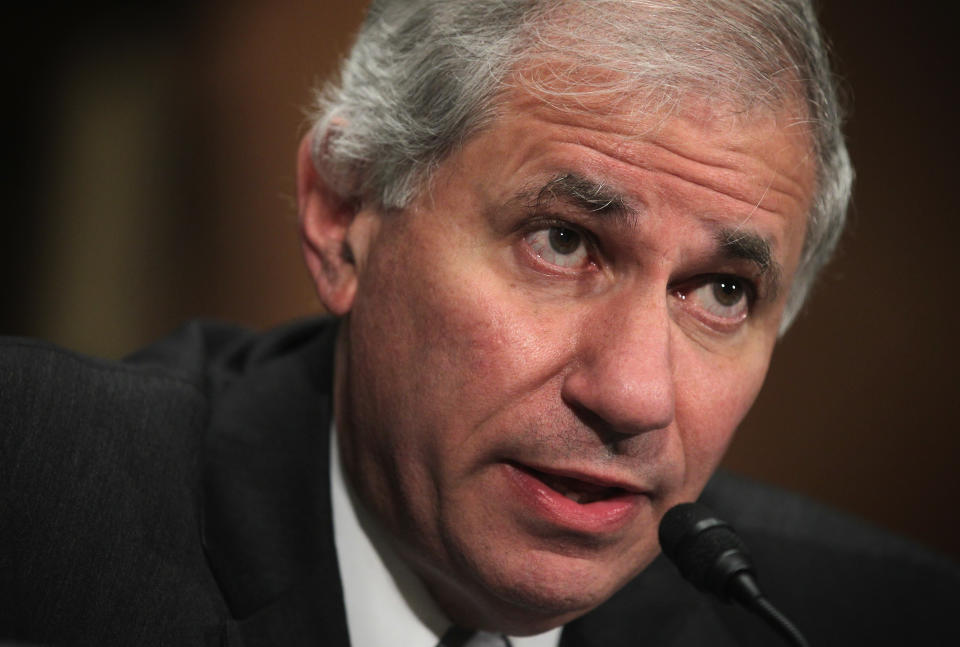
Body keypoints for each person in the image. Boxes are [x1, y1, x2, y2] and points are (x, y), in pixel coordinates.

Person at [1, 1, 957, 645]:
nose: (632, 394)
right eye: (562, 240)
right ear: (344, 217)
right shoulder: (37, 498)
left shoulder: (857, 618)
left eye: (720, 292)